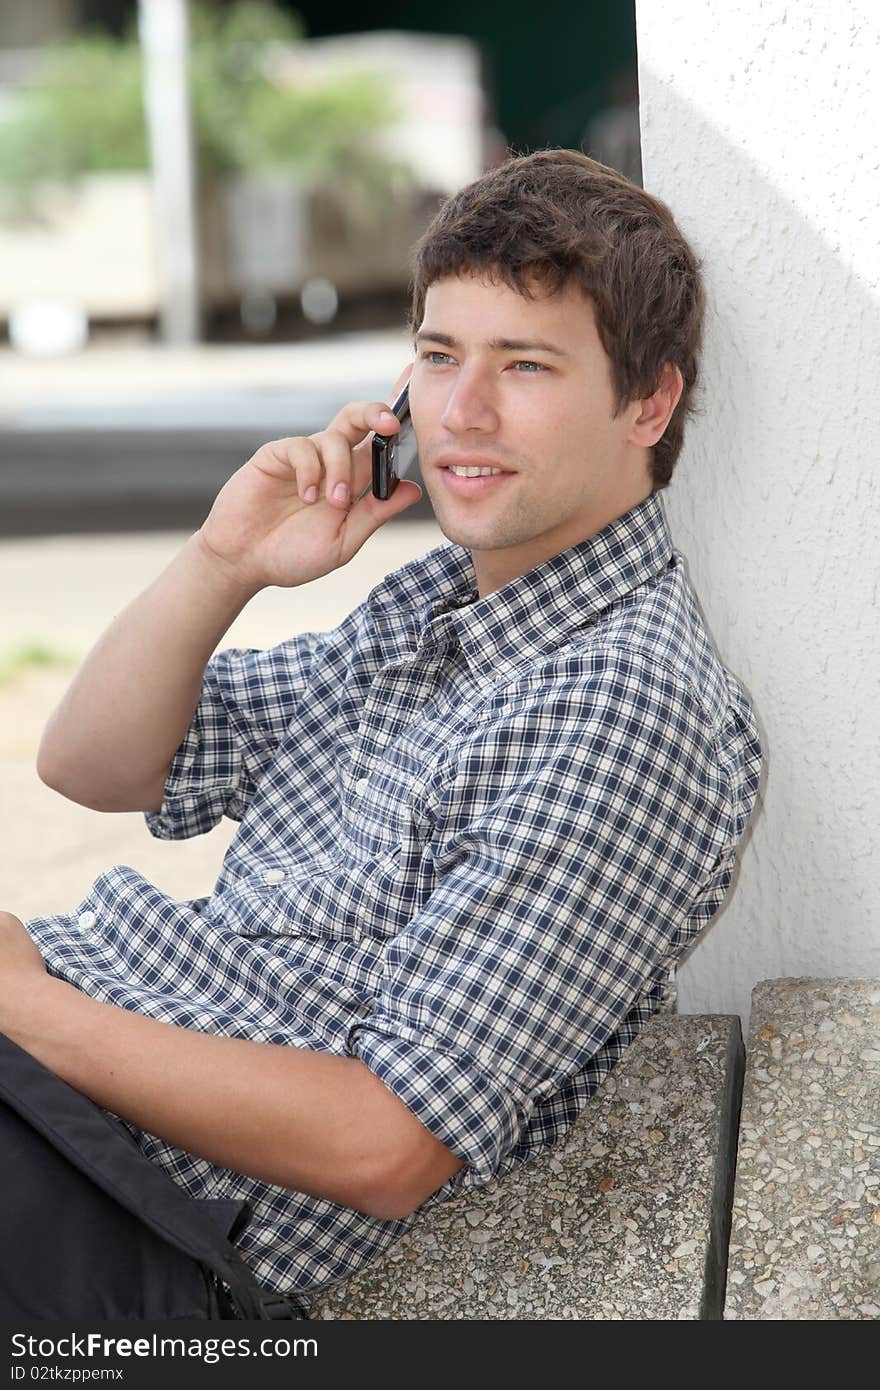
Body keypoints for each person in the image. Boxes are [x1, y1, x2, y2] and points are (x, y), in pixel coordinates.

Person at [0, 149, 762, 1310]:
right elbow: (93, 763)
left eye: (525, 364)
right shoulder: (436, 606)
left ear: (645, 402)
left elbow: (385, 1145)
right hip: (64, 1094)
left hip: (132, 1206)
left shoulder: (624, 706)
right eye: (440, 355)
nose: (462, 411)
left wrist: (30, 1007)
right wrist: (226, 562)